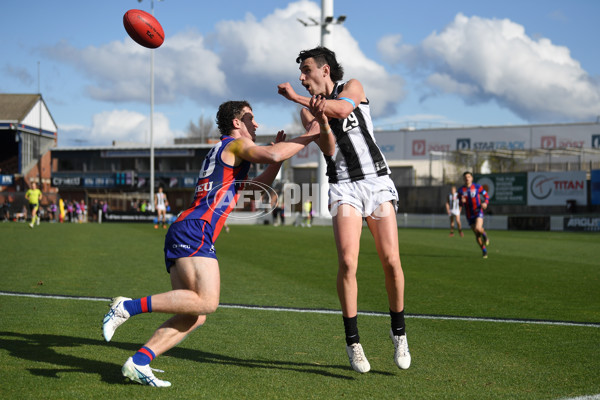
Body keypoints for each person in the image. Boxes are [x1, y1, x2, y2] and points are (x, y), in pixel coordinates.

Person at [102, 100, 319, 387]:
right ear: (236, 122)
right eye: (251, 118)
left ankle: (139, 362)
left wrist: (277, 159)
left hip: (189, 228)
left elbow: (254, 190)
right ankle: (127, 307)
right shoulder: (234, 146)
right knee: (207, 301)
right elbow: (273, 151)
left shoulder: (228, 154)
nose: (256, 123)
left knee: (195, 315)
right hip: (195, 229)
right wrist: (311, 134)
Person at [278, 46, 411, 373]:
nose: (302, 77)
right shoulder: (309, 111)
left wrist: (297, 97)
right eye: (301, 73)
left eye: (306, 70)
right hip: (343, 185)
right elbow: (328, 146)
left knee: (391, 260)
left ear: (325, 71)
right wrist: (316, 117)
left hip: (376, 181)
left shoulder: (353, 86)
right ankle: (353, 342)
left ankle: (399, 333)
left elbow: (342, 108)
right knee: (348, 262)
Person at [457, 171, 490, 258]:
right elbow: (459, 204)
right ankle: (484, 250)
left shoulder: (477, 187)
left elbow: (486, 196)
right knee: (477, 234)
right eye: (465, 177)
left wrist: (485, 203)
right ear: (463, 179)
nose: (467, 178)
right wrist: (461, 202)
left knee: (478, 228)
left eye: (468, 177)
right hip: (469, 215)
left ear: (472, 178)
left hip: (478, 211)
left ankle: (485, 235)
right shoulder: (460, 190)